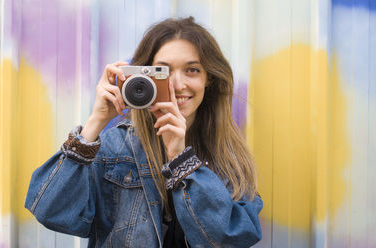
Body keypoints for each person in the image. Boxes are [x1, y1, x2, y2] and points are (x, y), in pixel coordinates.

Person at [25, 17, 263, 248]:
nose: (178, 84)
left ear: (209, 78)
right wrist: (95, 123)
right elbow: (49, 210)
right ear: (143, 77)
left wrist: (182, 161)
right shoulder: (116, 147)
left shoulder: (227, 156)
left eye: (192, 70)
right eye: (163, 71)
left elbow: (228, 239)